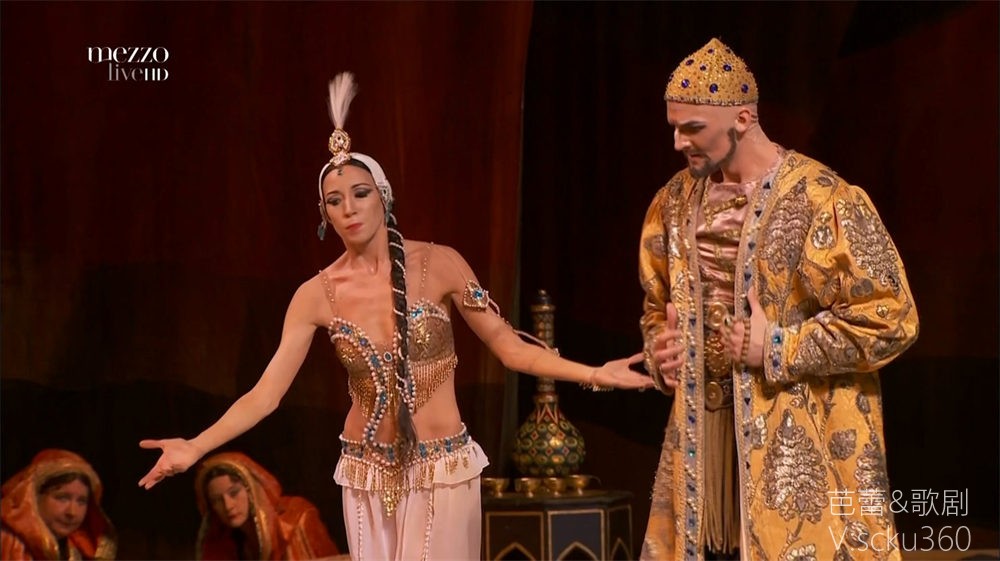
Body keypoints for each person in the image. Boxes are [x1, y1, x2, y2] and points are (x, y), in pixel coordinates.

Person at [138, 71, 653, 561]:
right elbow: (265, 395)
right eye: (334, 201)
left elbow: (510, 349)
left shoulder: (440, 263)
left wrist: (596, 373)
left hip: (442, 471)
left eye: (360, 194)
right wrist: (195, 446)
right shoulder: (315, 295)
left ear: (383, 196)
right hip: (364, 476)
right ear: (324, 214)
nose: (349, 208)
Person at [638, 38, 919, 561]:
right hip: (700, 445)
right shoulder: (673, 202)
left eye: (692, 128)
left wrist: (777, 346)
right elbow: (656, 306)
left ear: (743, 119)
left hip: (799, 440)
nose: (678, 142)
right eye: (674, 127)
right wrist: (662, 348)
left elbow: (892, 318)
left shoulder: (822, 198)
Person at [193, 452, 340, 560]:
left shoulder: (296, 519)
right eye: (216, 500)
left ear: (252, 489)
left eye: (234, 493)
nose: (228, 505)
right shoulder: (220, 543)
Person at [1, 449, 117, 560]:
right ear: (34, 497)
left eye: (81, 501)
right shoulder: (9, 543)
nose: (72, 512)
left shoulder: (75, 547)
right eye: (62, 498)